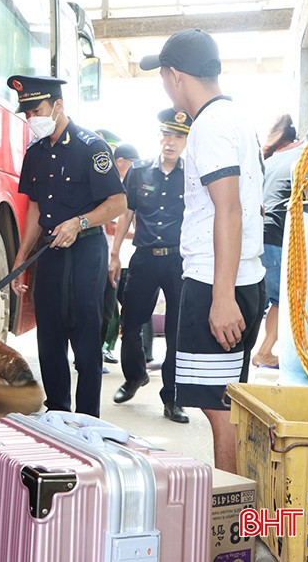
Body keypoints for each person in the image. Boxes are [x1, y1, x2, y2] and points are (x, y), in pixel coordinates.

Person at [140, 29, 265, 472]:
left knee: (219, 409)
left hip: (219, 280)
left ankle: (233, 524)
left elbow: (227, 211)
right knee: (228, 402)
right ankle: (246, 513)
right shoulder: (234, 118)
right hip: (241, 276)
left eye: (162, 74)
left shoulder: (210, 125)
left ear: (175, 75)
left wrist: (222, 296)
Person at [7, 75, 127, 418]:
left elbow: (117, 202)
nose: (32, 119)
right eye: (27, 113)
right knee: (49, 335)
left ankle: (88, 420)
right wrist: (20, 259)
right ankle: (58, 413)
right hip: (51, 254)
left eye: (38, 110)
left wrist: (81, 222)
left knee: (86, 340)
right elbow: (33, 208)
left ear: (58, 105)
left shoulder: (91, 147)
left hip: (86, 253)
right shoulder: (36, 152)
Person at [109, 108, 193, 424]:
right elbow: (127, 214)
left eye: (179, 136)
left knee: (176, 330)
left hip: (178, 262)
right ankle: (134, 376)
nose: (171, 142)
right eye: (167, 135)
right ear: (159, 136)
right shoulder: (139, 171)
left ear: (186, 141)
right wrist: (115, 253)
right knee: (131, 322)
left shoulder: (193, 173)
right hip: (144, 258)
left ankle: (172, 398)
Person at [252, 115, 301, 368]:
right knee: (287, 300)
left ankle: (265, 351)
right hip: (277, 237)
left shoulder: (271, 160)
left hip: (259, 235)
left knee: (276, 300)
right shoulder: (305, 157)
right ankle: (264, 352)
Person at [102, 143, 141, 365]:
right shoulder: (110, 186)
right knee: (108, 308)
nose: (134, 167)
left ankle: (111, 348)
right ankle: (101, 349)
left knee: (125, 308)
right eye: (131, 161)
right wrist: (137, 234)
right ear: (120, 161)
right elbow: (110, 226)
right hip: (108, 256)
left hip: (125, 259)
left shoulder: (131, 188)